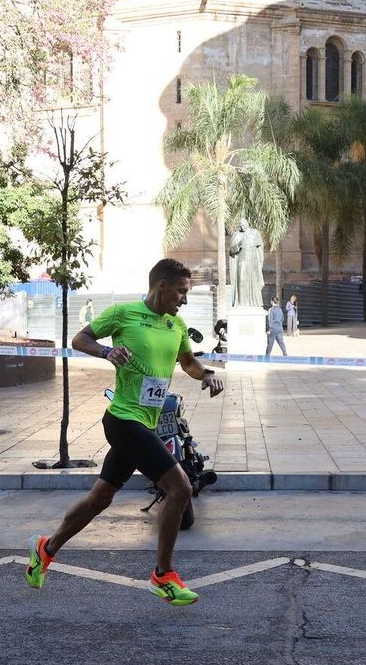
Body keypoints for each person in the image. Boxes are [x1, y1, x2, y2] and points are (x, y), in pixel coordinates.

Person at [24, 258, 226, 606]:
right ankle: (163, 576)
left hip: (146, 422)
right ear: (162, 286)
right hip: (123, 419)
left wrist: (205, 373)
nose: (184, 300)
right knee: (179, 488)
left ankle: (46, 548)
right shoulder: (124, 314)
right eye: (181, 292)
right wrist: (106, 350)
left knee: (100, 498)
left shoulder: (175, 324)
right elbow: (80, 338)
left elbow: (187, 362)